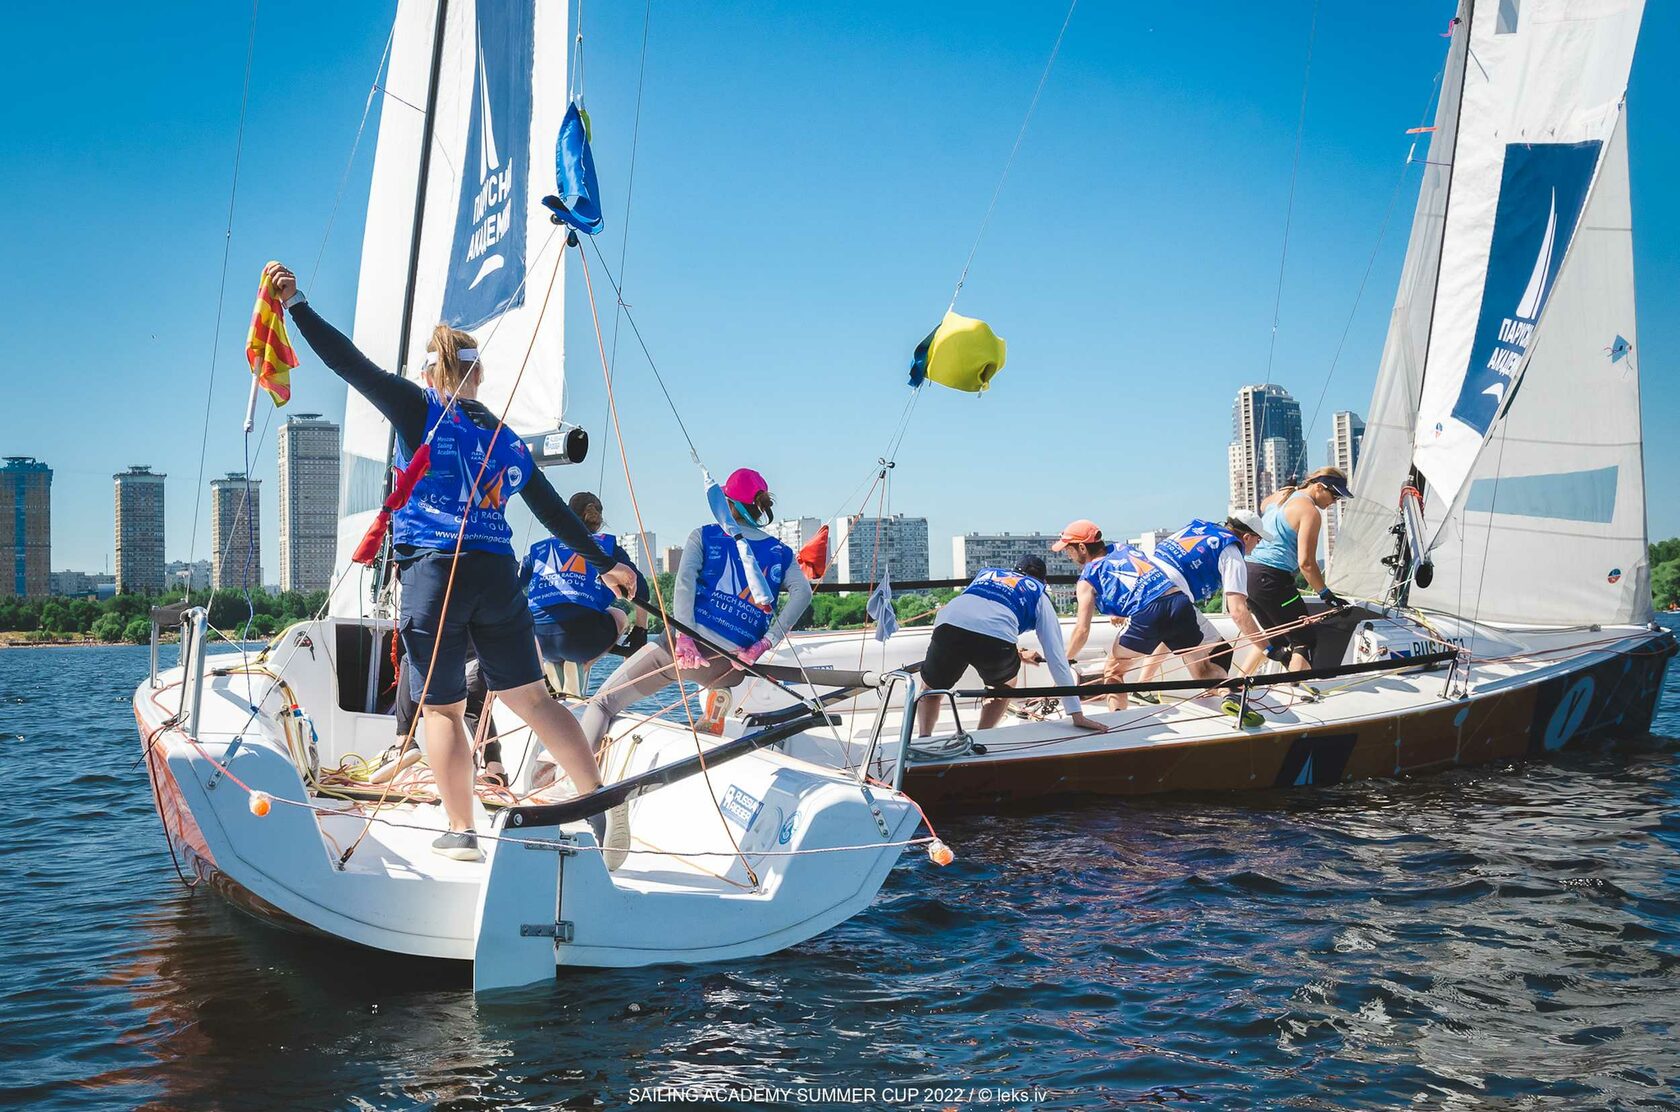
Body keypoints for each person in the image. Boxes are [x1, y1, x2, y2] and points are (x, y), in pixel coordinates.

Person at [268, 262, 637, 864]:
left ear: (434, 371)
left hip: (437, 573)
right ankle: (599, 801)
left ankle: (463, 831)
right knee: (536, 701)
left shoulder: (419, 407)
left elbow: (348, 363)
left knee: (441, 708)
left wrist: (298, 302)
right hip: (496, 572)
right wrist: (603, 563)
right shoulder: (502, 436)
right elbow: (551, 511)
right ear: (479, 375)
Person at [578, 468, 813, 752]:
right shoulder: (782, 552)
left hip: (684, 652)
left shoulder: (704, 535)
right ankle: (718, 693)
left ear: (727, 504)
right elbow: (803, 594)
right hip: (733, 664)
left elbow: (684, 586)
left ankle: (577, 783)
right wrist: (765, 643)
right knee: (718, 677)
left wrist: (685, 638)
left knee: (603, 703)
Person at [1055, 518, 1241, 719]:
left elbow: (1082, 630)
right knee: (1203, 669)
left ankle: (1117, 720)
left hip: (1148, 613)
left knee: (1114, 672)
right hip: (1179, 602)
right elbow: (1138, 579)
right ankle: (1228, 695)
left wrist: (1065, 661)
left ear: (1082, 547)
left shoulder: (1088, 576)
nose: (1067, 554)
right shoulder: (1123, 548)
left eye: (1068, 549)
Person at [915, 555, 1107, 737]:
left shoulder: (988, 574)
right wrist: (1076, 714)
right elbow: (1057, 657)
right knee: (1002, 688)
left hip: (949, 623)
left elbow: (978, 619)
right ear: (1044, 582)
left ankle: (924, 738)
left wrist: (1019, 653)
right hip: (995, 637)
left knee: (931, 689)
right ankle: (983, 737)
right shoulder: (1038, 593)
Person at [1131, 511, 1272, 722]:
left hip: (1141, 585)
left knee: (1169, 633)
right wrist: (1269, 648)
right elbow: (1238, 612)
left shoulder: (1200, 527)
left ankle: (1141, 687)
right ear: (1247, 537)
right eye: (1258, 540)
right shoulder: (1232, 551)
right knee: (1220, 651)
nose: (1257, 546)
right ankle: (1226, 694)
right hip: (1172, 598)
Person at [522, 491, 649, 696]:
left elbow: (514, 584)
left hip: (540, 640)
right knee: (620, 615)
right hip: (583, 640)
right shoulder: (608, 548)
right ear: (598, 521)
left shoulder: (539, 549)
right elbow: (641, 590)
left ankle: (551, 667)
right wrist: (640, 631)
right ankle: (582, 665)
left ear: (565, 515)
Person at [1238, 466, 1352, 682]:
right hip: (1271, 578)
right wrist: (1327, 595)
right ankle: (1297, 694)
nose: (1334, 502)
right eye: (1334, 495)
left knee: (1275, 639)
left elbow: (1264, 505)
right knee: (1304, 639)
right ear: (1319, 487)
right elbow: (1306, 563)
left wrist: (1287, 492)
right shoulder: (1310, 511)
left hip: (1248, 574)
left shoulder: (1283, 495)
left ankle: (1235, 686)